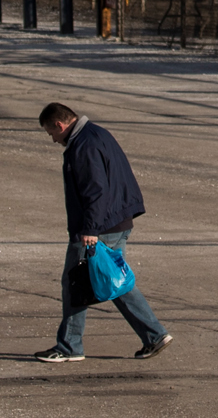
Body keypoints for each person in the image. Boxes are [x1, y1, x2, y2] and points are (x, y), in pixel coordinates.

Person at [35, 101, 172, 363]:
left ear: (59, 125)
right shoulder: (97, 133)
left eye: (51, 134)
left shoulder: (84, 145)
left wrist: (90, 229)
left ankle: (69, 347)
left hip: (99, 227)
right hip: (116, 221)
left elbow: (95, 190)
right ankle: (154, 335)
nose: (53, 140)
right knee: (111, 281)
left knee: (75, 282)